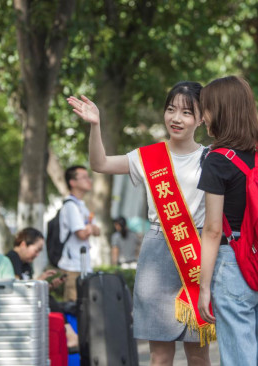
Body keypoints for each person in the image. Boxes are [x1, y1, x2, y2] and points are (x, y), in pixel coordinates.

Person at [67, 81, 212, 365]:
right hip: (157, 252)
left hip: (197, 252)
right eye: (171, 110)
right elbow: (101, 164)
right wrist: (96, 126)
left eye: (186, 112)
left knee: (198, 352)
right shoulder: (148, 157)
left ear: (202, 118)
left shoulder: (211, 158)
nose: (176, 118)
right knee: (159, 353)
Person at [197, 76, 258, 365]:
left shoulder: (217, 159)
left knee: (239, 356)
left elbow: (213, 230)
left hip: (233, 263)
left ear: (221, 111)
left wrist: (204, 287)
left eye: (207, 109)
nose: (204, 116)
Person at [6, 228, 77, 349]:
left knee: (47, 296)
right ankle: (70, 335)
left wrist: (48, 286)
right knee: (47, 299)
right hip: (15, 304)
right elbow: (19, 288)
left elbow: (30, 288)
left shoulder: (26, 264)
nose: (37, 255)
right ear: (23, 244)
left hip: (27, 302)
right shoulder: (13, 258)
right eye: (36, 250)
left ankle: (70, 335)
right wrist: (39, 282)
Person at [57, 165, 101, 302]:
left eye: (88, 177)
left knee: (85, 309)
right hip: (72, 267)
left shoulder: (81, 205)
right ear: (72, 182)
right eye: (84, 177)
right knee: (74, 307)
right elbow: (81, 233)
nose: (89, 180)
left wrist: (90, 229)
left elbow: (97, 230)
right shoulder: (70, 206)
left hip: (82, 265)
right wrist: (90, 228)